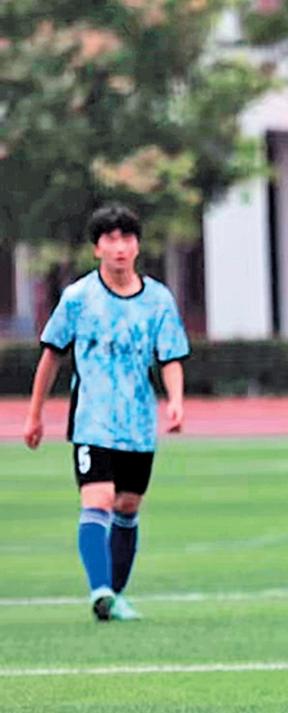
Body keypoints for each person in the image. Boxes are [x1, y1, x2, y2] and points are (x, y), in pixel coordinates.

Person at [21, 204, 189, 622]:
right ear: (97, 248)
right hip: (92, 422)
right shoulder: (78, 298)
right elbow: (51, 356)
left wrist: (175, 400)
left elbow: (169, 356)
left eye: (126, 238)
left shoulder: (158, 300)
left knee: (127, 507)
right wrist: (35, 414)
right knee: (98, 500)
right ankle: (99, 589)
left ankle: (114, 595)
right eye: (110, 239)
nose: (119, 247)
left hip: (138, 424)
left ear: (137, 247)